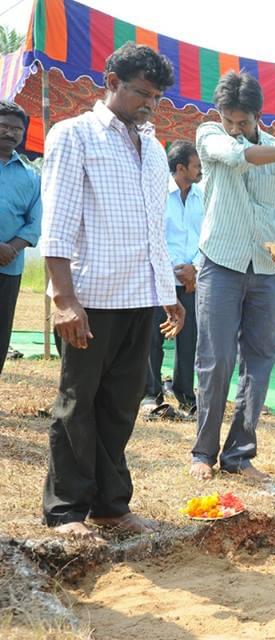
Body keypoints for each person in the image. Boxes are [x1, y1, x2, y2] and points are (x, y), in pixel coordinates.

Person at [39, 44, 184, 540]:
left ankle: (109, 505)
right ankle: (65, 510)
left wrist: (167, 293)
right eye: (142, 93)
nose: (150, 105)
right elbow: (56, 224)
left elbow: (153, 229)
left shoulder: (155, 148)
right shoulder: (74, 135)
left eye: (157, 97)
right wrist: (64, 299)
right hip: (91, 297)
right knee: (78, 403)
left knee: (120, 405)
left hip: (139, 298)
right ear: (112, 81)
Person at [190, 71, 275, 481]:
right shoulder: (210, 135)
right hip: (220, 264)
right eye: (229, 120)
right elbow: (238, 155)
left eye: (243, 123)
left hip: (265, 271)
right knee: (216, 362)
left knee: (261, 362)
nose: (235, 129)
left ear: (257, 116)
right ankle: (203, 453)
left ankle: (240, 455)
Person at [143, 141, 204, 415]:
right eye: (197, 166)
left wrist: (195, 268)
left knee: (189, 339)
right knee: (154, 337)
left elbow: (209, 237)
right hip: (159, 278)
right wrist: (169, 271)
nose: (201, 170)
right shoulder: (157, 194)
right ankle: (150, 393)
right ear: (181, 168)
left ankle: (185, 393)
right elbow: (151, 235)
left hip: (192, 281)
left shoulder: (202, 197)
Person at [0, 100, 41, 376]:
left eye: (17, 129)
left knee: (1, 332)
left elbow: (34, 223)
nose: (11, 133)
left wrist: (10, 249)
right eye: (4, 126)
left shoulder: (31, 175)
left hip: (9, 267)